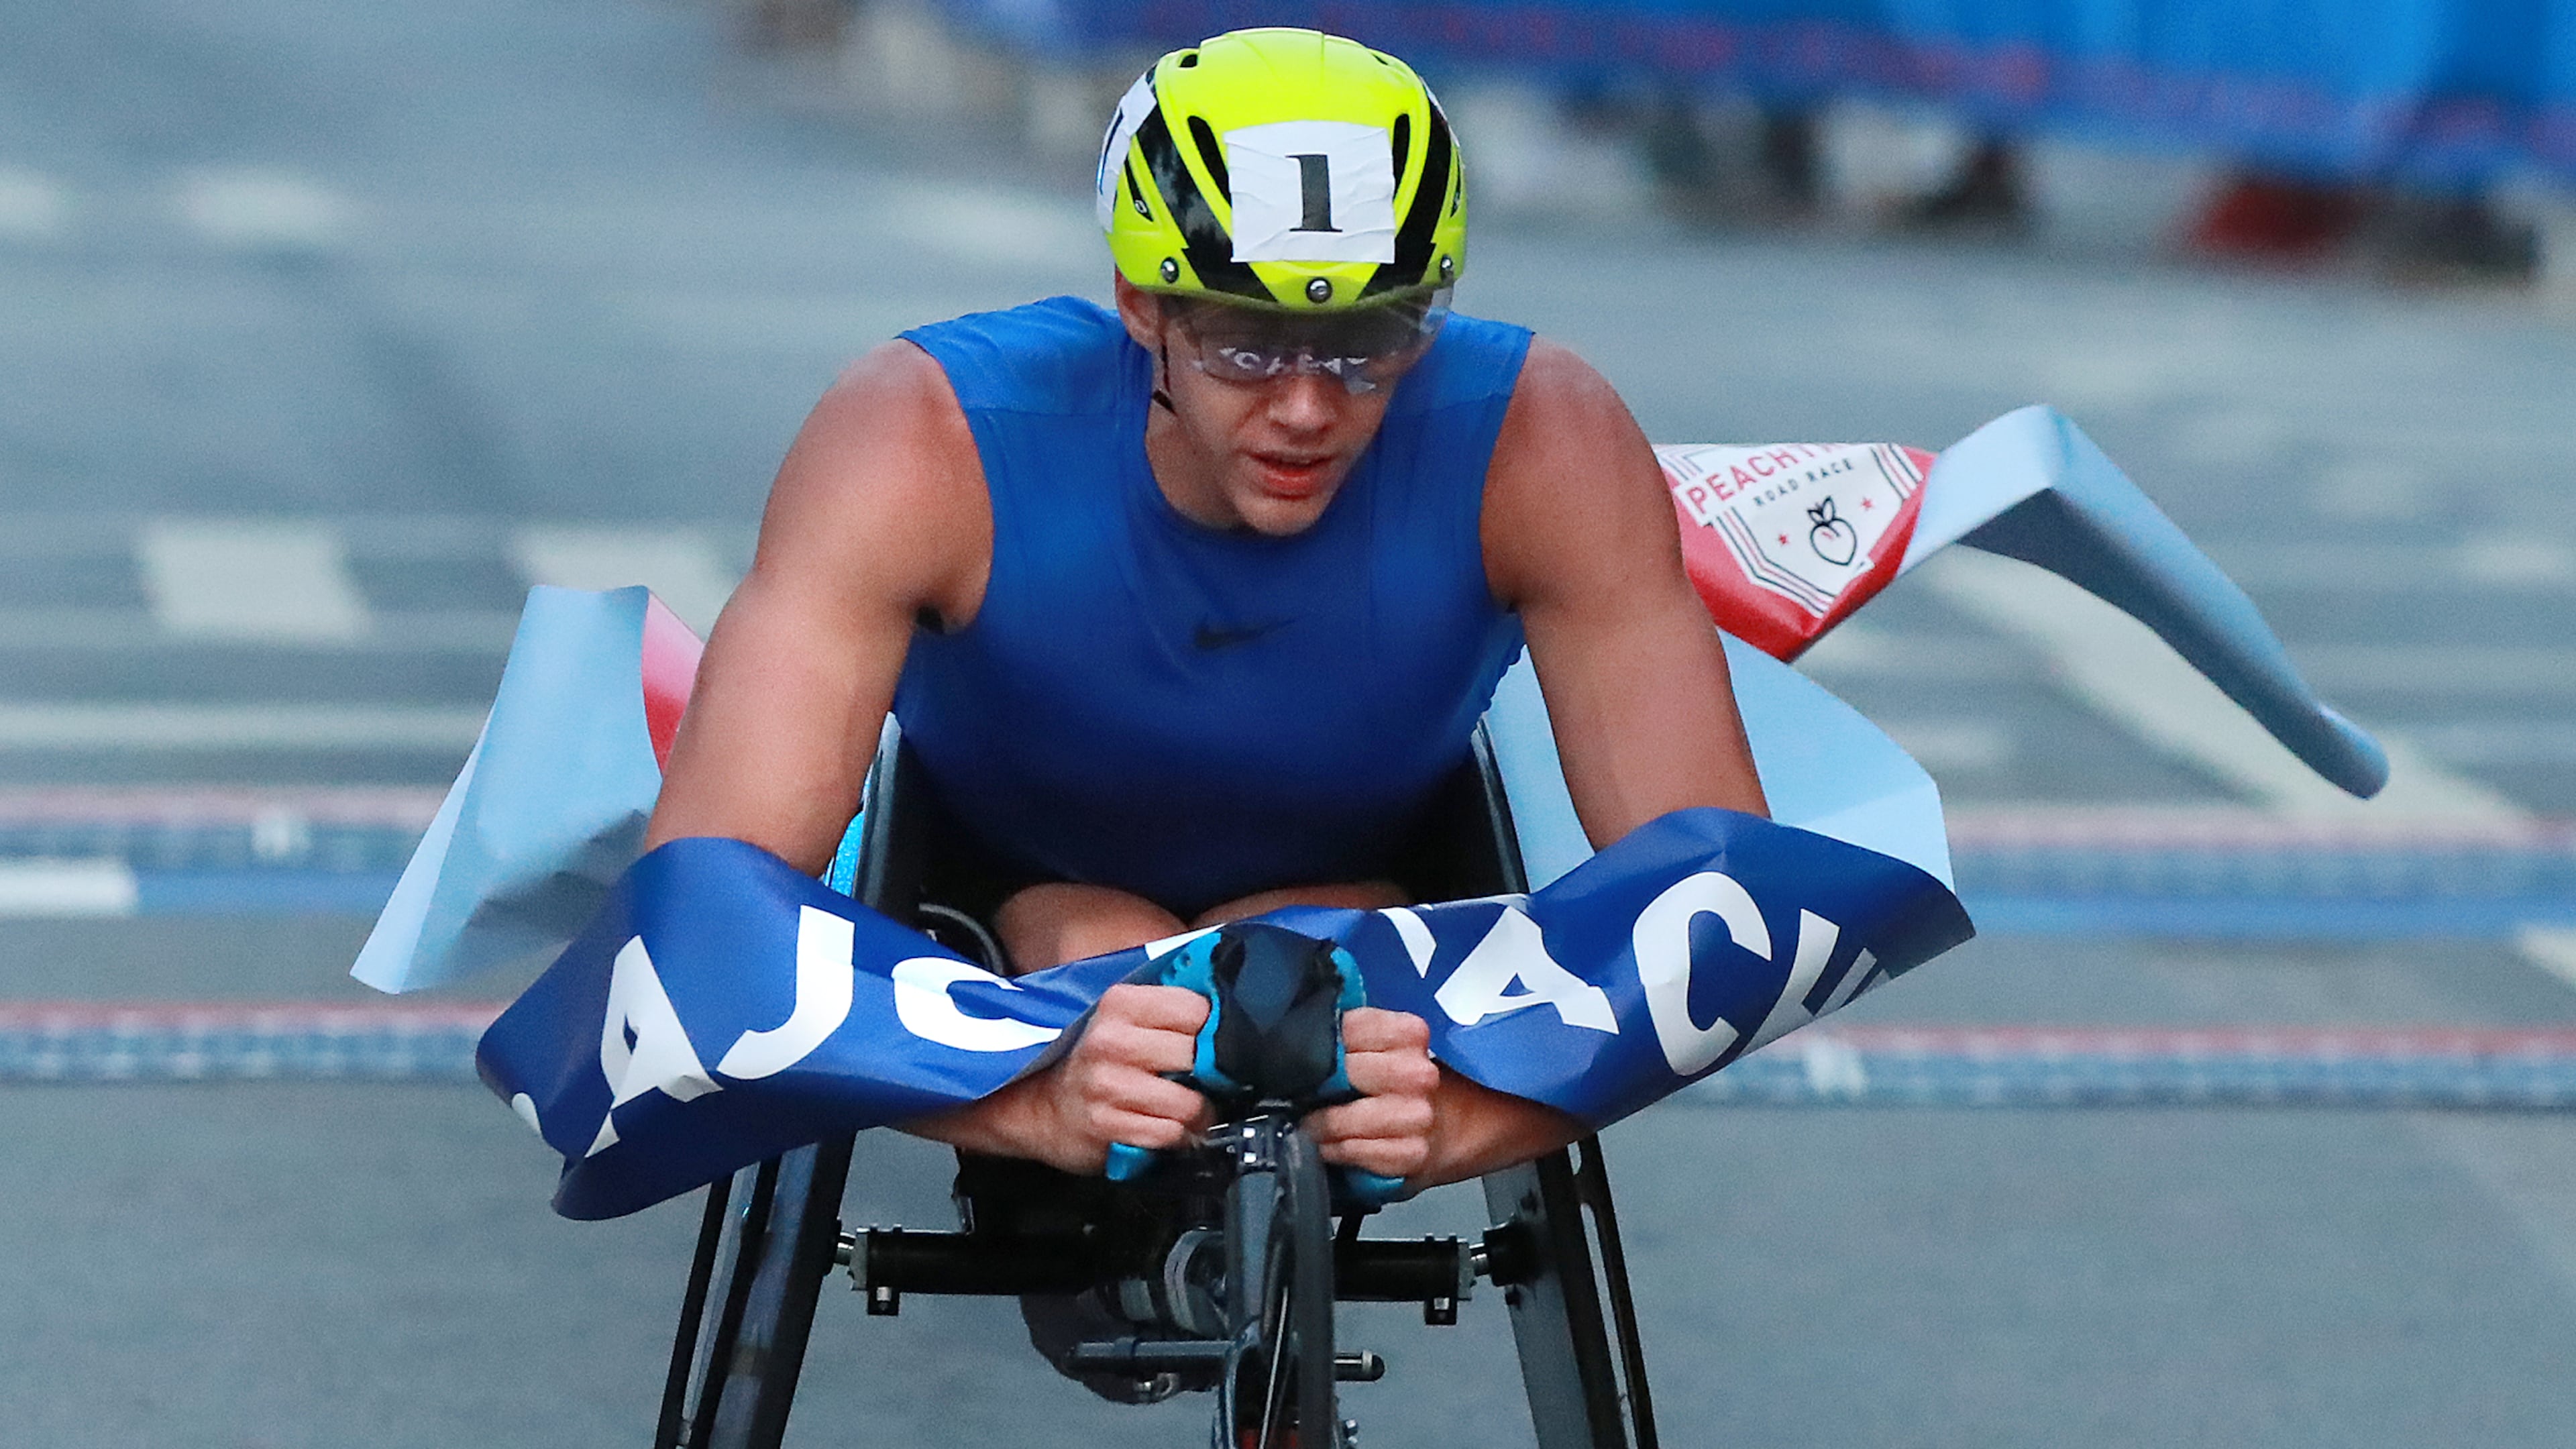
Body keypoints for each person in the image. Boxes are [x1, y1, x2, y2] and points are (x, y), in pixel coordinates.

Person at [642, 26, 1766, 1201]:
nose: (1304, 409)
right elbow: (709, 899)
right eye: (1244, 343)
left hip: (1377, 900)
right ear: (1141, 303)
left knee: (1305, 931)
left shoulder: (1547, 436)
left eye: (1366, 344)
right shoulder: (923, 437)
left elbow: (1721, 902)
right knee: (1094, 931)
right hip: (994, 907)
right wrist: (1029, 1103)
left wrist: (1471, 1118)